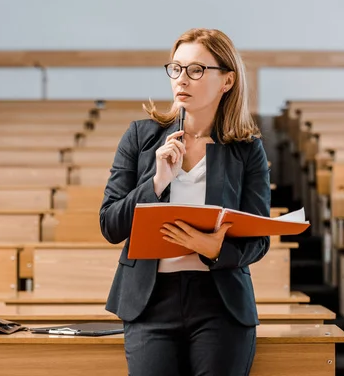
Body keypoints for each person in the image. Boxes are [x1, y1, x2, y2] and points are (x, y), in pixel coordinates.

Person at [99, 28, 271, 376]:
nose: (182, 79)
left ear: (227, 81)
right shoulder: (140, 137)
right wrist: (158, 180)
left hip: (220, 302)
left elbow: (259, 238)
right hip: (150, 302)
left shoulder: (247, 148)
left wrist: (214, 249)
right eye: (176, 69)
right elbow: (110, 225)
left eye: (196, 70)